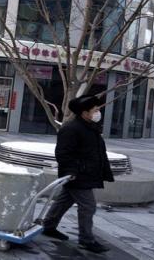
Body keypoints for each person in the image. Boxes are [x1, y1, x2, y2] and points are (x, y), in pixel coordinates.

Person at [40, 94, 114, 253]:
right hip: (78, 175)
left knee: (64, 201)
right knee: (88, 206)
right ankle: (86, 240)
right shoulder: (71, 128)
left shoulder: (89, 127)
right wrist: (71, 171)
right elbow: (63, 153)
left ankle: (48, 226)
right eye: (95, 110)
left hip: (85, 173)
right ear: (84, 112)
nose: (97, 113)